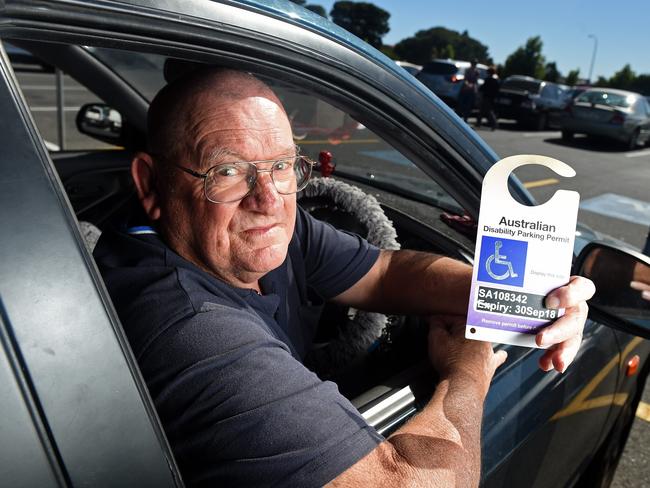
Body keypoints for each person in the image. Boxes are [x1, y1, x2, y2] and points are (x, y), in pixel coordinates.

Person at [94, 67, 595, 487]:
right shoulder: (186, 326)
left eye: (284, 166)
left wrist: (518, 297)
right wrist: (468, 369)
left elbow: (384, 272)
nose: (268, 200)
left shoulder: (261, 234)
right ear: (150, 183)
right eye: (226, 172)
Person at [477, 66, 500, 130]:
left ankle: (494, 124)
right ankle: (479, 123)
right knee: (484, 111)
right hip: (491, 98)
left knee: (487, 111)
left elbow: (482, 88)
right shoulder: (496, 80)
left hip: (486, 97)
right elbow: (497, 90)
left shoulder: (488, 79)